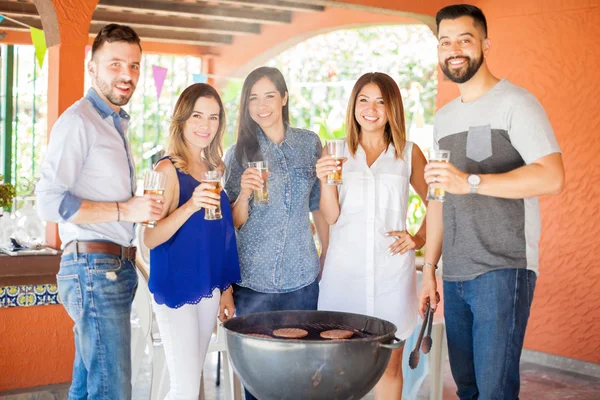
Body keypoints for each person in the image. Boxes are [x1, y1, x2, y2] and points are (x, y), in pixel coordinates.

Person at [419, 4, 565, 399]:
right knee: (467, 389)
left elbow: (552, 177)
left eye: (464, 40)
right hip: (455, 274)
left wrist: (471, 181)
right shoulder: (444, 118)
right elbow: (437, 197)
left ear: (485, 44)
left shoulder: (517, 102)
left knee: (495, 392)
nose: (454, 50)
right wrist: (429, 268)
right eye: (445, 42)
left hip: (503, 270)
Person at [36, 24, 164, 400]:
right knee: (111, 391)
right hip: (95, 271)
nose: (128, 75)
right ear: (92, 68)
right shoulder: (79, 121)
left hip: (113, 270)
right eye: (115, 64)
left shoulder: (114, 123)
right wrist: (126, 209)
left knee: (87, 387)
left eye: (135, 66)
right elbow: (49, 202)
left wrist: (134, 210)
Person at [317, 72, 430, 399]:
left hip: (391, 277)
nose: (371, 108)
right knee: (339, 366)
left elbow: (437, 202)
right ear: (354, 106)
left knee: (389, 367)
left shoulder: (408, 153)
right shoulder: (335, 150)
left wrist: (418, 238)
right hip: (344, 275)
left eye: (381, 101)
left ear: (392, 108)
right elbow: (332, 215)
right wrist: (325, 181)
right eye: (364, 100)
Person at [223, 66, 328, 400]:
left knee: (301, 379)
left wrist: (327, 253)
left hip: (302, 278)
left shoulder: (309, 144)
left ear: (284, 98)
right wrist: (243, 193)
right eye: (253, 98)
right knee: (259, 380)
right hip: (254, 284)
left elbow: (318, 206)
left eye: (270, 95)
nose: (262, 105)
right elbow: (232, 224)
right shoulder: (237, 152)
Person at [143, 83, 241, 400]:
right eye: (197, 115)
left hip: (208, 286)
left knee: (190, 380)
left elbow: (222, 236)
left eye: (213, 118)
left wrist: (225, 289)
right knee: (184, 389)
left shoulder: (215, 169)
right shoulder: (165, 169)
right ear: (182, 119)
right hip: (176, 285)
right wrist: (190, 206)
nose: (205, 125)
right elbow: (150, 236)